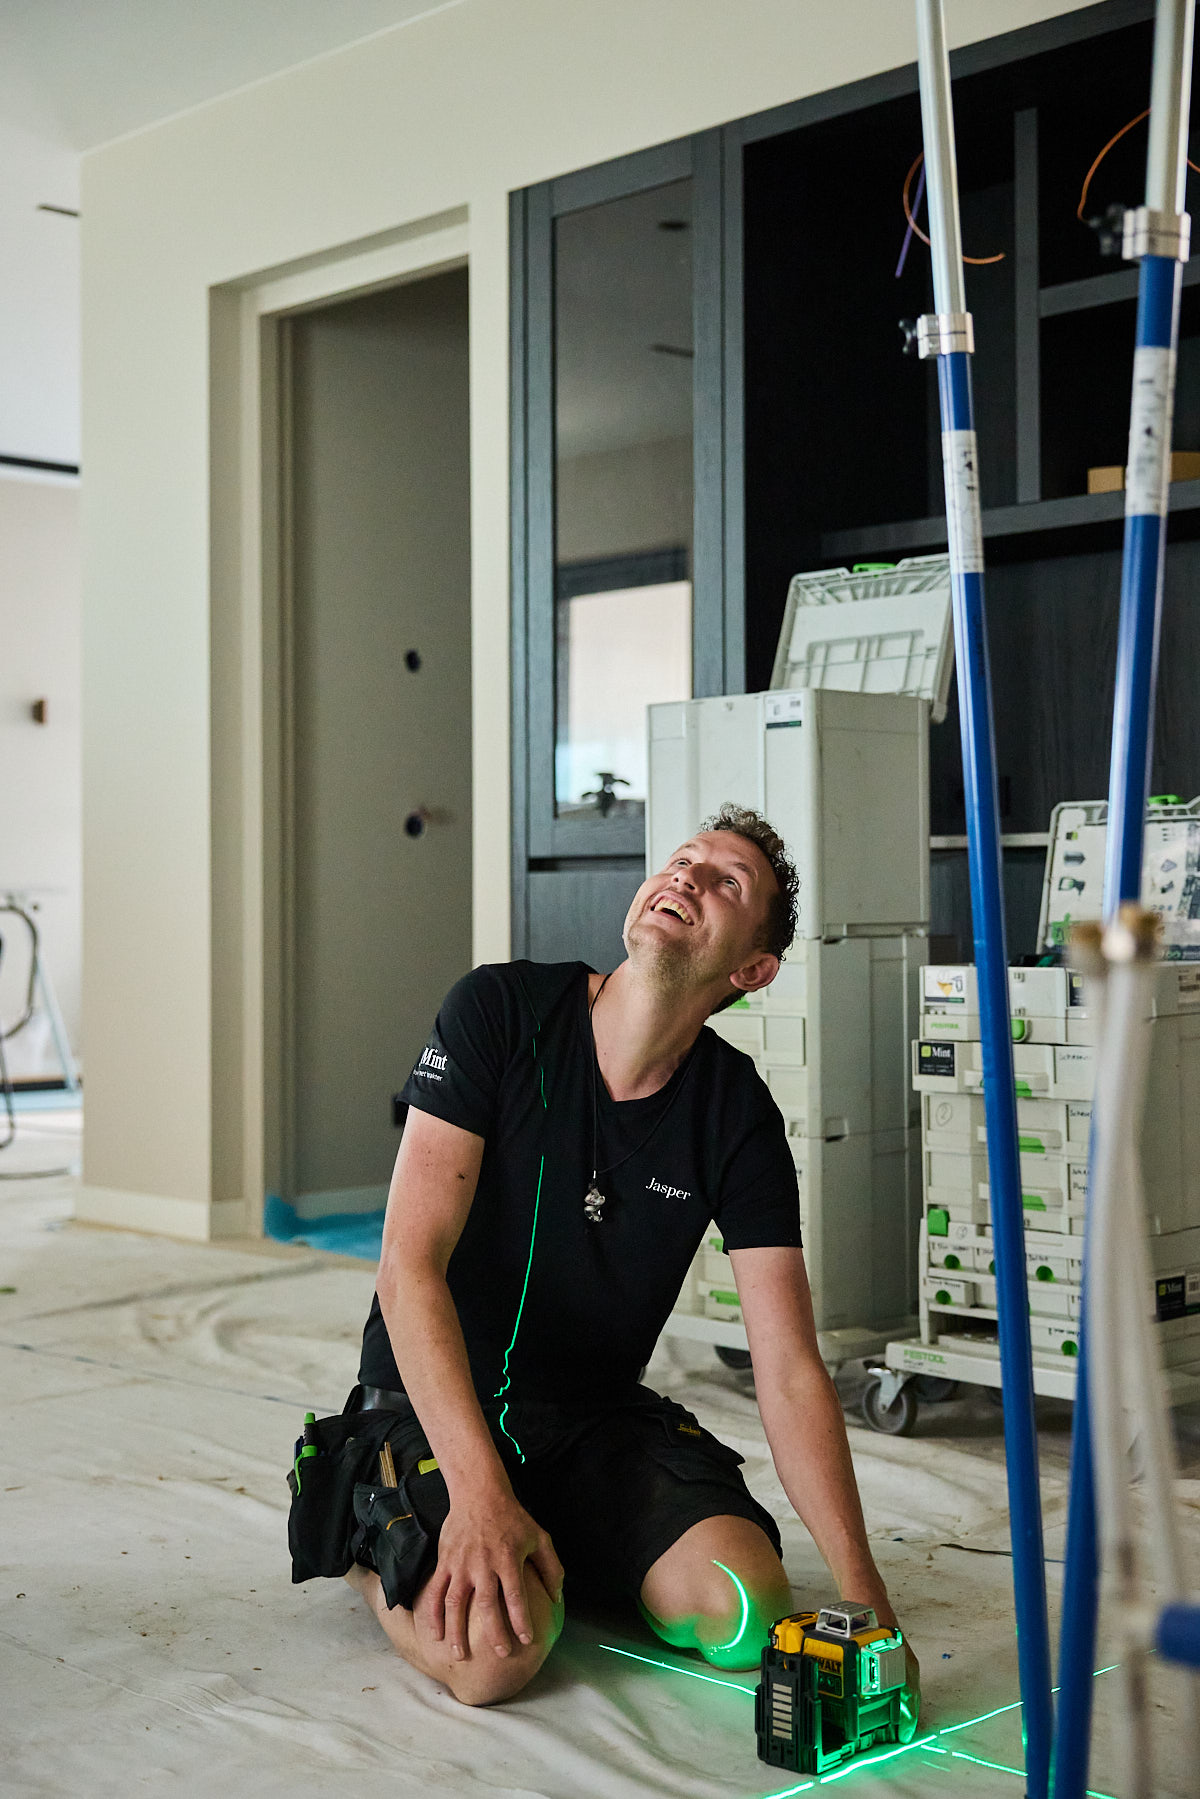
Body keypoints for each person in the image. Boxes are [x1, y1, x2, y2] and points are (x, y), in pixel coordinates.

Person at [342, 803, 920, 1719]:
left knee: (746, 1609)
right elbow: (408, 1267)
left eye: (726, 881)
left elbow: (788, 1366)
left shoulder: (736, 1113)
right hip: (429, 1405)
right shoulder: (498, 1010)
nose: (687, 876)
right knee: (493, 1656)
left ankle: (551, 1541)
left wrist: (865, 1595)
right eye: (682, 860)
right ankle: (372, 1530)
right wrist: (481, 1496)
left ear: (752, 969)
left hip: (589, 1422)